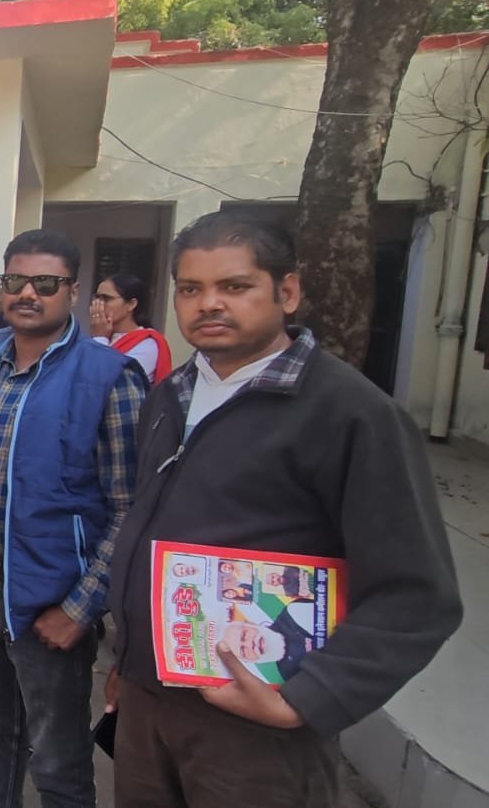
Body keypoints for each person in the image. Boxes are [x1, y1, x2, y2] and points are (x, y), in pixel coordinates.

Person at [107, 212, 462, 807]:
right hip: (150, 701)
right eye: (191, 289)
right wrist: (128, 658)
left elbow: (416, 595)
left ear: (287, 292)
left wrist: (307, 698)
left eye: (235, 286)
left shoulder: (351, 414)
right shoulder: (169, 395)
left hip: (257, 728)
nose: (209, 303)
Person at [0, 229, 146, 808]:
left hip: (49, 596)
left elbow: (130, 510)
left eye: (46, 283)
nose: (28, 293)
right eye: (16, 281)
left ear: (73, 292)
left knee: (56, 757)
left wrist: (82, 608)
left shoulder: (110, 377)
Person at [89, 272, 173, 384]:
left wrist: (100, 338)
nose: (99, 305)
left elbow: (110, 381)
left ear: (131, 304)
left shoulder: (148, 343)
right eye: (97, 298)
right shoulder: (101, 337)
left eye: (106, 299)